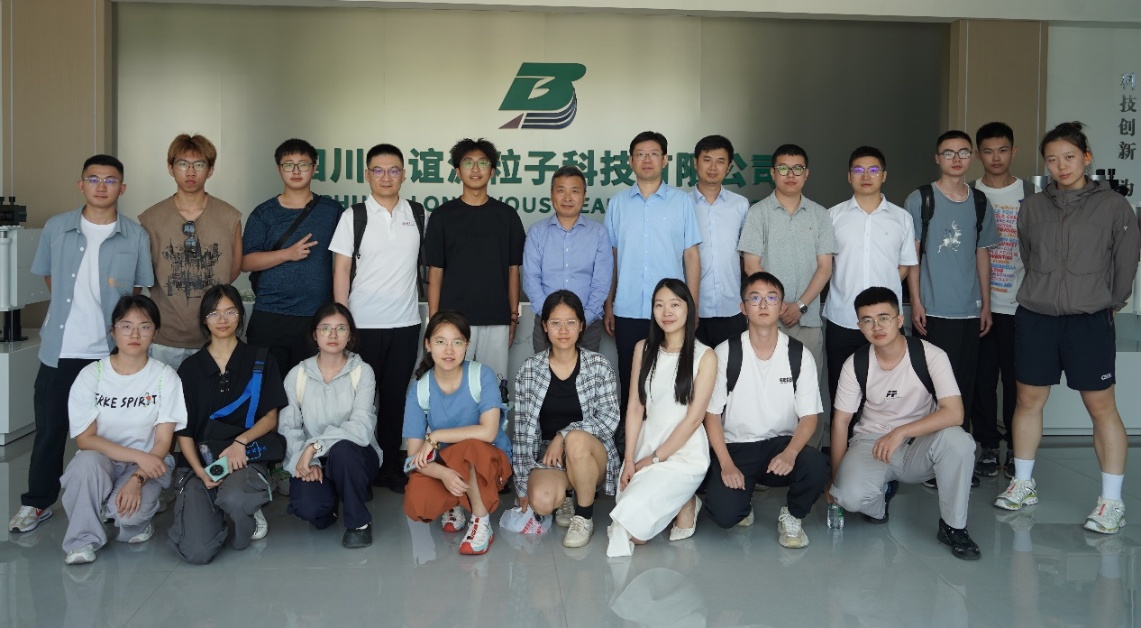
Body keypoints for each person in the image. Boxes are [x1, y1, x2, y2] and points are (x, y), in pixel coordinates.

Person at [994, 121, 1141, 536]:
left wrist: (1108, 303)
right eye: (1053, 159)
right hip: (1037, 316)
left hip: (1089, 318)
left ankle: (1111, 502)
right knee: (1028, 399)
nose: (1061, 166)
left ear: (1086, 158)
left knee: (1101, 407)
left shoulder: (1114, 206)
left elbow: (1126, 262)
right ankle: (1023, 482)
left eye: (1070, 157)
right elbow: (1029, 254)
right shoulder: (1032, 207)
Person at [9, 154, 153, 535]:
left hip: (111, 354)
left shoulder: (136, 235)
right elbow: (51, 279)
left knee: (114, 432)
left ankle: (107, 499)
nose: (101, 186)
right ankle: (38, 503)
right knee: (50, 429)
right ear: (81, 184)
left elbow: (136, 292)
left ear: (122, 188)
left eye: (110, 180)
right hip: (62, 350)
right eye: (93, 179)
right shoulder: (57, 228)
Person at [829, 287, 980, 560]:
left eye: (884, 318)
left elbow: (955, 413)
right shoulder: (856, 363)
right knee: (849, 497)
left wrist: (901, 432)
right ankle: (881, 497)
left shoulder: (931, 355)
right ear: (859, 326)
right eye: (867, 320)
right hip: (872, 443)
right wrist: (835, 480)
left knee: (959, 441)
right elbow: (841, 422)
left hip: (920, 443)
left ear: (899, 320)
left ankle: (953, 527)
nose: (877, 327)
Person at [700, 272, 829, 548]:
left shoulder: (799, 354)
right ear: (743, 307)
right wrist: (726, 464)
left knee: (817, 465)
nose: (763, 304)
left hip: (780, 445)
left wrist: (791, 453)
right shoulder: (725, 353)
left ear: (782, 307)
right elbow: (711, 415)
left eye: (771, 298)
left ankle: (792, 515)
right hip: (737, 447)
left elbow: (809, 417)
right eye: (754, 298)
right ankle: (742, 505)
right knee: (725, 516)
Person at [59, 295, 186, 564]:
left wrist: (136, 478)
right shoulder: (92, 375)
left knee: (128, 517)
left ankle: (128, 515)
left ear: (155, 333)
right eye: (126, 326)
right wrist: (139, 456)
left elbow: (163, 442)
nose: (134, 334)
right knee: (85, 465)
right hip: (103, 459)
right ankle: (82, 540)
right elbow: (85, 439)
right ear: (113, 330)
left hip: (149, 463)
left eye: (144, 326)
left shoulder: (165, 377)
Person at [168, 284, 288, 564]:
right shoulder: (190, 368)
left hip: (244, 456)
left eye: (230, 312)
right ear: (204, 319)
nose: (222, 319)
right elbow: (183, 430)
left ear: (241, 315)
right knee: (197, 551)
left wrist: (240, 443)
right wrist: (199, 471)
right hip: (202, 462)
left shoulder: (260, 359)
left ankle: (246, 509)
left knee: (235, 498)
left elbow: (270, 418)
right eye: (214, 313)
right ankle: (216, 512)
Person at [330, 143, 423, 493]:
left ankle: (389, 469)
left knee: (395, 399)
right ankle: (362, 469)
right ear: (367, 175)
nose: (386, 177)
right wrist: (342, 323)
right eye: (379, 170)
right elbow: (341, 270)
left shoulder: (417, 214)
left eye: (394, 170)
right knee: (362, 402)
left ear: (404, 174)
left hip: (405, 324)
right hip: (362, 325)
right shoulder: (354, 216)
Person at [607, 279, 716, 558]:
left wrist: (654, 459)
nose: (666, 312)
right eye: (659, 305)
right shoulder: (643, 349)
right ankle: (681, 500)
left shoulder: (705, 356)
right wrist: (629, 460)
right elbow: (635, 407)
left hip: (684, 452)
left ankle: (686, 499)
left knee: (632, 532)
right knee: (633, 528)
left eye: (674, 304)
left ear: (688, 309)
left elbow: (694, 420)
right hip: (646, 443)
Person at [604, 131, 702, 432]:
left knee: (670, 379)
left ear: (665, 159)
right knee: (630, 378)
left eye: (654, 154)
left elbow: (691, 257)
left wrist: (692, 307)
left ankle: (668, 441)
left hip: (670, 311)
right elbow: (611, 259)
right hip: (628, 308)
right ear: (630, 160)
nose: (647, 160)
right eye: (641, 154)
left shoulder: (681, 202)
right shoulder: (618, 203)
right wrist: (609, 304)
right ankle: (630, 443)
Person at [905, 130, 1000, 437]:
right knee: (931, 386)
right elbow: (912, 257)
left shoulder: (980, 202)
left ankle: (957, 449)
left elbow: (982, 255)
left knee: (963, 386)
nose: (956, 159)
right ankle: (927, 453)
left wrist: (986, 305)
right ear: (937, 158)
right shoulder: (921, 199)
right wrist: (916, 302)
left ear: (972, 157)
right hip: (933, 310)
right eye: (948, 153)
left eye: (963, 152)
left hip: (970, 311)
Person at [512, 290, 620, 548]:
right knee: (541, 501)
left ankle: (584, 517)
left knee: (575, 440)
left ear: (581, 326)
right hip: (550, 457)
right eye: (555, 323)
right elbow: (521, 432)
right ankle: (567, 497)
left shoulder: (598, 365)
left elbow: (609, 419)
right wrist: (522, 487)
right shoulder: (529, 369)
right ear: (544, 326)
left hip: (591, 453)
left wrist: (563, 435)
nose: (563, 330)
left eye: (571, 322)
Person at [402, 310, 513, 555]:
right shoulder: (420, 389)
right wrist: (442, 473)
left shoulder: (481, 375)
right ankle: (455, 502)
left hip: (489, 461)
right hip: (448, 462)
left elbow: (488, 432)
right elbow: (412, 457)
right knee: (418, 501)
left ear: (467, 345)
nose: (449, 350)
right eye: (441, 341)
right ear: (428, 345)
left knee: (471, 448)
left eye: (457, 342)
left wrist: (436, 436)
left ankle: (481, 521)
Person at [823, 147, 918, 427]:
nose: (866, 176)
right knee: (842, 395)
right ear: (849, 176)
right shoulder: (832, 216)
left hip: (886, 324)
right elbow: (825, 265)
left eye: (873, 170)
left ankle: (886, 447)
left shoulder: (901, 218)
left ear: (884, 176)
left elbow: (904, 266)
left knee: (890, 393)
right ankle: (845, 451)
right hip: (843, 319)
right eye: (859, 170)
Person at [279, 303, 382, 549]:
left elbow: (360, 426)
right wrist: (309, 459)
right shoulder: (297, 375)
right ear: (314, 335)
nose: (333, 334)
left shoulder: (362, 372)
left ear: (351, 335)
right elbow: (288, 428)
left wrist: (315, 446)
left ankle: (358, 523)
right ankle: (332, 503)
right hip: (312, 458)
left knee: (343, 451)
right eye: (325, 328)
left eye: (341, 328)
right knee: (309, 508)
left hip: (355, 456)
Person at [139, 134, 243, 370]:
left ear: (210, 170)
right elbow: (143, 274)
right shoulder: (151, 219)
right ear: (170, 168)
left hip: (216, 337)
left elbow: (234, 268)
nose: (191, 172)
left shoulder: (230, 216)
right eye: (183, 164)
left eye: (199, 164)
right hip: (165, 338)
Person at [424, 138, 525, 380]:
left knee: (494, 385)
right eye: (468, 163)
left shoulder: (507, 216)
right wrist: (435, 322)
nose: (476, 169)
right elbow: (435, 272)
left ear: (492, 171)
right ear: (458, 171)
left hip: (496, 318)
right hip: (452, 322)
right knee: (453, 385)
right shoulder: (442, 216)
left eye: (483, 163)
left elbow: (513, 269)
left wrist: (512, 317)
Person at [242, 138, 343, 375]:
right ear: (279, 169)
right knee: (269, 388)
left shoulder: (332, 211)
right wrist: (287, 254)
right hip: (270, 316)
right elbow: (246, 262)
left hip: (316, 317)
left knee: (311, 389)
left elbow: (346, 262)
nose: (296, 171)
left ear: (314, 168)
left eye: (303, 164)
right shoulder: (263, 213)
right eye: (288, 165)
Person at [970, 122, 1035, 479]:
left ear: (1013, 151)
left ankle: (1016, 448)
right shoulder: (968, 193)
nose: (996, 158)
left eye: (1003, 150)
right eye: (988, 151)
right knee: (982, 381)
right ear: (978, 154)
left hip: (1021, 304)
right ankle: (988, 446)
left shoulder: (1031, 194)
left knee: (1016, 381)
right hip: (979, 306)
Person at [738, 143, 835, 376]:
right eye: (783, 168)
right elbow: (751, 265)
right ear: (772, 173)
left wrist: (800, 305)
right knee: (765, 385)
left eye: (797, 168)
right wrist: (777, 305)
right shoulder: (757, 213)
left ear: (806, 173)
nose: (790, 175)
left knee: (807, 386)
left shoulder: (820, 214)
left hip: (808, 320)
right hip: (767, 319)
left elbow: (825, 268)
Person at [522, 166, 612, 353]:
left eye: (575, 191)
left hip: (587, 325)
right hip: (546, 327)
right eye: (561, 190)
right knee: (545, 372)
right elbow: (531, 280)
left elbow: (602, 282)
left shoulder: (598, 233)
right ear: (551, 195)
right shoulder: (537, 232)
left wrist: (583, 320)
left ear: (584, 196)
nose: (567, 198)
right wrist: (551, 320)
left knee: (586, 373)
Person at [690, 134, 749, 349]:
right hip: (692, 310)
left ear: (729, 166)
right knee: (693, 369)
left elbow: (747, 258)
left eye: (720, 161)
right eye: (707, 160)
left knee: (731, 368)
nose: (713, 167)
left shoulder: (740, 205)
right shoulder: (682, 205)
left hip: (731, 307)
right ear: (695, 162)